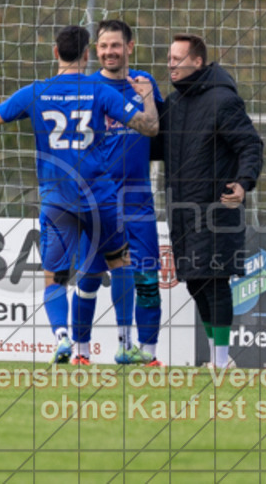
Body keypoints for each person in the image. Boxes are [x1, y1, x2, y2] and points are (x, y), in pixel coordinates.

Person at [0, 25, 158, 366]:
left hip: (57, 198)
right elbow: (149, 127)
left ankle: (62, 338)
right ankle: (124, 343)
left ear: (56, 53)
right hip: (99, 196)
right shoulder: (98, 90)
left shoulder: (35, 91)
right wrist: (146, 96)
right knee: (121, 262)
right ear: (88, 54)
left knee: (55, 275)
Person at [155, 33, 263, 369]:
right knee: (196, 282)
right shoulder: (172, 104)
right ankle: (221, 359)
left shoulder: (222, 101)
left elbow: (251, 145)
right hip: (182, 212)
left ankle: (219, 360)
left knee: (214, 281)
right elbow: (156, 149)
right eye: (169, 58)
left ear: (198, 61)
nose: (171, 63)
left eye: (178, 58)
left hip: (216, 209)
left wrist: (244, 184)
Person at [89, 19, 165, 367]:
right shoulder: (86, 87)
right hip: (97, 200)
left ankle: (147, 355)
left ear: (129, 47)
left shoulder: (145, 84)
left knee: (148, 275)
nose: (109, 52)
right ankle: (81, 353)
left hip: (137, 199)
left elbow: (158, 132)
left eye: (115, 45)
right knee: (89, 276)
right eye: (103, 46)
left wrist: (147, 95)